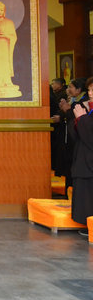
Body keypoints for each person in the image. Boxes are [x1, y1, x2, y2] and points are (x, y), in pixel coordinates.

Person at [70, 77, 93, 233]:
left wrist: (82, 119)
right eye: (89, 90)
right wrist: (79, 119)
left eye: (92, 90)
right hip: (84, 158)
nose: (90, 94)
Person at [49, 78, 66, 175]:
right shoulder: (56, 95)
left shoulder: (60, 95)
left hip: (58, 126)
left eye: (54, 83)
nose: (52, 85)